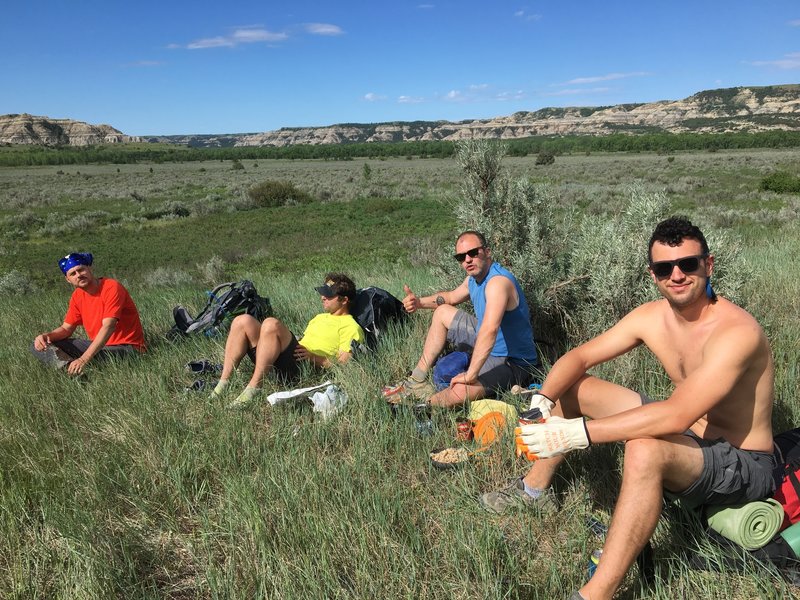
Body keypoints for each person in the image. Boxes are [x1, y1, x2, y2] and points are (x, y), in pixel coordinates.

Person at [479, 217, 776, 600]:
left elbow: (676, 416)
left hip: (742, 461)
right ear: (653, 275)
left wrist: (575, 433)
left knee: (644, 449)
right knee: (573, 388)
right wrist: (543, 401)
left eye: (688, 264)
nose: (677, 275)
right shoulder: (652, 317)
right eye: (665, 268)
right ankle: (532, 490)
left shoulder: (737, 332)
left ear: (709, 265)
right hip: (689, 433)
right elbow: (582, 356)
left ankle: (596, 593)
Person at [383, 230, 539, 407]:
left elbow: (490, 330)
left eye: (473, 253)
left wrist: (471, 375)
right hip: (488, 342)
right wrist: (419, 302)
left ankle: (421, 407)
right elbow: (450, 297)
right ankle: (416, 381)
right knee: (442, 312)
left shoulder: (497, 283)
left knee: (461, 389)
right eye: (461, 257)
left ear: (487, 252)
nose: (468, 260)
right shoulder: (473, 280)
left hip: (513, 361)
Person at [212, 272, 365, 408]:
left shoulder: (351, 327)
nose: (323, 297)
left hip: (303, 367)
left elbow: (345, 363)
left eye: (329, 295)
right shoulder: (319, 317)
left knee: (271, 324)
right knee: (242, 320)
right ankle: (223, 383)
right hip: (287, 357)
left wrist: (313, 357)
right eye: (323, 293)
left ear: (344, 300)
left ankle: (254, 388)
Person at [31, 252, 146, 375]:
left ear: (89, 268)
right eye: (73, 274)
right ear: (68, 279)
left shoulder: (111, 287)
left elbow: (109, 326)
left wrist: (84, 359)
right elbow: (66, 329)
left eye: (81, 270)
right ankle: (75, 373)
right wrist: (45, 337)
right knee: (38, 346)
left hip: (127, 349)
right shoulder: (77, 296)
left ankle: (78, 371)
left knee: (85, 354)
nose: (78, 275)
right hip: (100, 348)